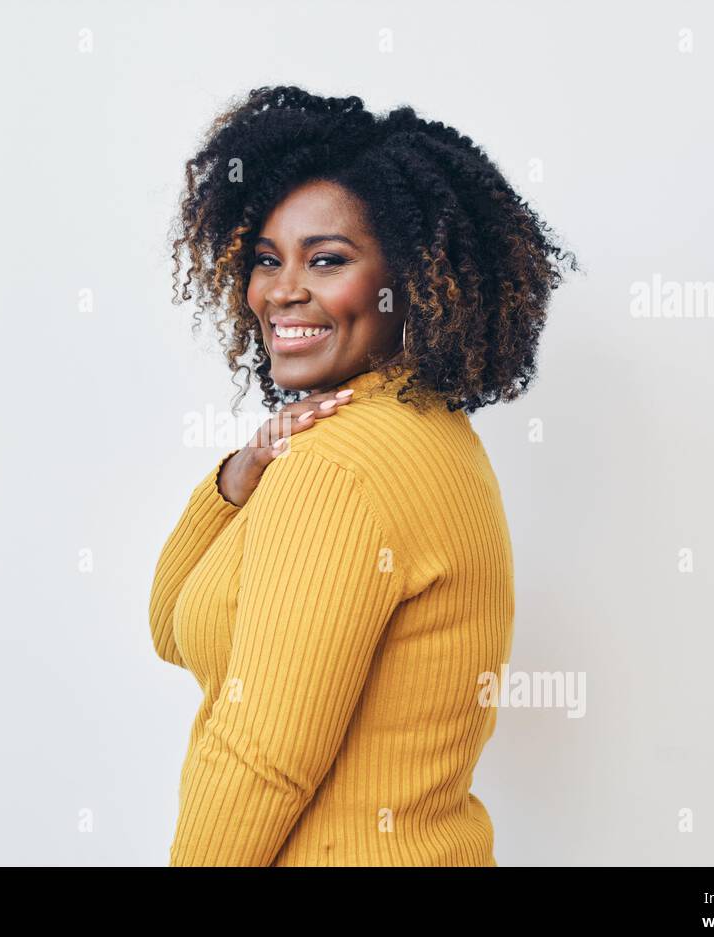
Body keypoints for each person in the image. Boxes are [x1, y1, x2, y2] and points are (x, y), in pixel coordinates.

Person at [149, 85, 580, 866]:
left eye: (328, 260)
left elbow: (261, 762)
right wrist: (234, 482)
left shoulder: (339, 465)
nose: (283, 291)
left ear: (410, 278)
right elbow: (173, 630)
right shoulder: (431, 432)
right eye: (266, 261)